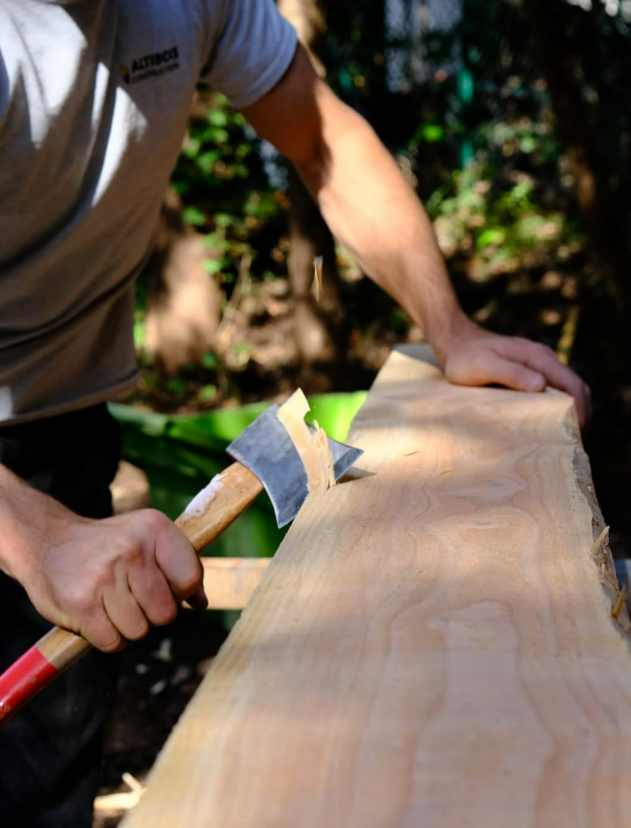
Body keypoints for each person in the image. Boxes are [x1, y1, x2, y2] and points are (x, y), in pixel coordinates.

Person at [0, 1, 590, 825]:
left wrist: (448, 328)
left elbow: (322, 138)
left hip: (62, 413)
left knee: (44, 766)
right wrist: (36, 535)